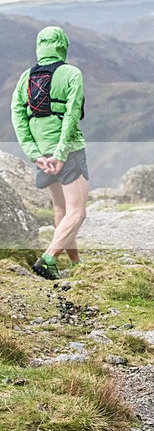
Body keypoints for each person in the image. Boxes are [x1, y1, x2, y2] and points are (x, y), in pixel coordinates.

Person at [10, 26, 88, 280]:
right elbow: (72, 116)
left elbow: (18, 116)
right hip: (68, 152)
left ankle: (75, 261)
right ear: (63, 45)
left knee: (61, 209)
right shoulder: (71, 74)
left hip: (43, 153)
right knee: (77, 211)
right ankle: (48, 258)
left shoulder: (26, 77)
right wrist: (62, 152)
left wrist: (35, 154)